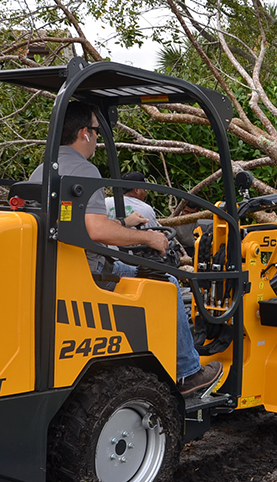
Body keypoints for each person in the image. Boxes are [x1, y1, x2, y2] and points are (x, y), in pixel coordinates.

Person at [27, 101, 222, 395]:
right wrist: (149, 239)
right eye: (95, 130)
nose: (95, 138)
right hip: (89, 270)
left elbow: (73, 222)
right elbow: (96, 230)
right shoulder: (84, 170)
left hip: (52, 266)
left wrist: (122, 221)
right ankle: (187, 373)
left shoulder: (42, 170)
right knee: (167, 281)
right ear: (85, 133)